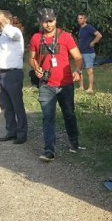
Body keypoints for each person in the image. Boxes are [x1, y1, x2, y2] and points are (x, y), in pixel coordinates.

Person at [28, 8, 84, 161]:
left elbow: (78, 57)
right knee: (48, 117)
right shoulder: (36, 38)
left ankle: (74, 143)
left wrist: (78, 70)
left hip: (65, 84)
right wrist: (36, 68)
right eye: (45, 22)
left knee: (69, 114)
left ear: (55, 20)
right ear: (40, 22)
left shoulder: (65, 37)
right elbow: (31, 58)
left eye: (51, 21)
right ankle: (49, 151)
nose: (48, 24)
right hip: (46, 85)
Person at [0, 10, 27, 144]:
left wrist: (4, 22)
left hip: (12, 73)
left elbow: (12, 34)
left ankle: (22, 134)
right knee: (6, 106)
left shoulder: (15, 32)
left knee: (17, 105)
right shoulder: (2, 36)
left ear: (8, 20)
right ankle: (11, 131)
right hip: (0, 73)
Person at [75, 13, 102, 93]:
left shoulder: (89, 27)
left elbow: (99, 35)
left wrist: (93, 42)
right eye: (78, 18)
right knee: (79, 70)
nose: (79, 20)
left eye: (81, 18)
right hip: (81, 53)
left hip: (88, 53)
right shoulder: (81, 29)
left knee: (89, 70)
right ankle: (81, 87)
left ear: (85, 19)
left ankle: (90, 88)